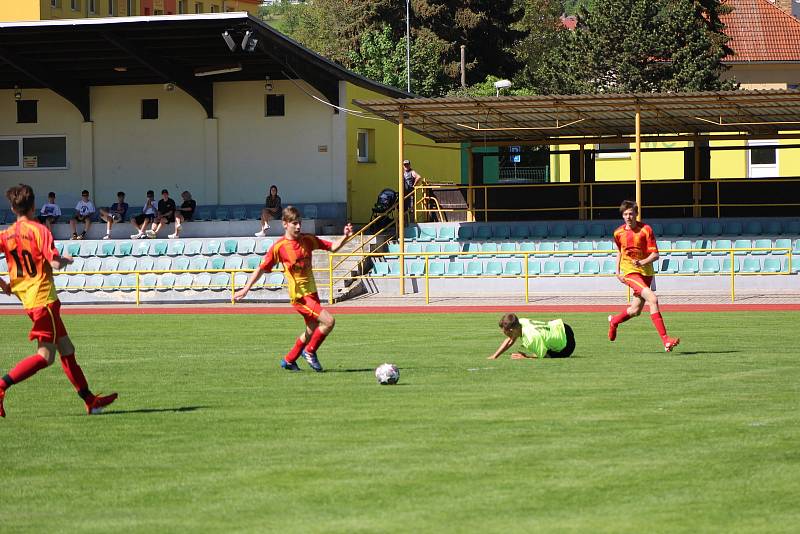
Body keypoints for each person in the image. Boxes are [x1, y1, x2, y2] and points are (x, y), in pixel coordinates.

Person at [0, 184, 117, 418]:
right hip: (44, 300)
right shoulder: (39, 231)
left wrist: (4, 285)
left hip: (29, 300)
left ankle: (90, 400)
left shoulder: (5, 234)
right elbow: (53, 263)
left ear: (13, 208)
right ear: (34, 206)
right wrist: (66, 260)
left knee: (67, 349)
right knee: (46, 357)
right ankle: (2, 386)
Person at [234, 206, 353, 372]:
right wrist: (246, 288)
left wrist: (345, 237)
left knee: (311, 331)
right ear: (285, 224)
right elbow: (261, 268)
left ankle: (289, 360)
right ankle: (310, 352)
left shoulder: (308, 240)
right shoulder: (280, 247)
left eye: (300, 223)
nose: (298, 227)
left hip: (313, 294)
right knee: (329, 321)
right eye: (294, 223)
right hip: (300, 297)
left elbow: (332, 247)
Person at [608, 200, 680, 352]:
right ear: (622, 216)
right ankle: (666, 340)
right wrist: (617, 271)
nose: (628, 216)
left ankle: (614, 321)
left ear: (636, 214)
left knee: (635, 310)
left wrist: (642, 262)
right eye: (625, 214)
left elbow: (655, 254)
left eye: (631, 213)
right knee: (653, 299)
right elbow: (619, 251)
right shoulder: (618, 233)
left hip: (646, 272)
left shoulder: (646, 230)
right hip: (629, 272)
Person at [488, 313, 576, 360]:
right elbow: (510, 340)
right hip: (562, 326)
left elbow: (544, 357)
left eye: (504, 332)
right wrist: (495, 356)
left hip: (567, 345)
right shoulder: (520, 322)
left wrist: (525, 358)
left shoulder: (531, 339)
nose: (504, 334)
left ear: (511, 330)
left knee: (548, 354)